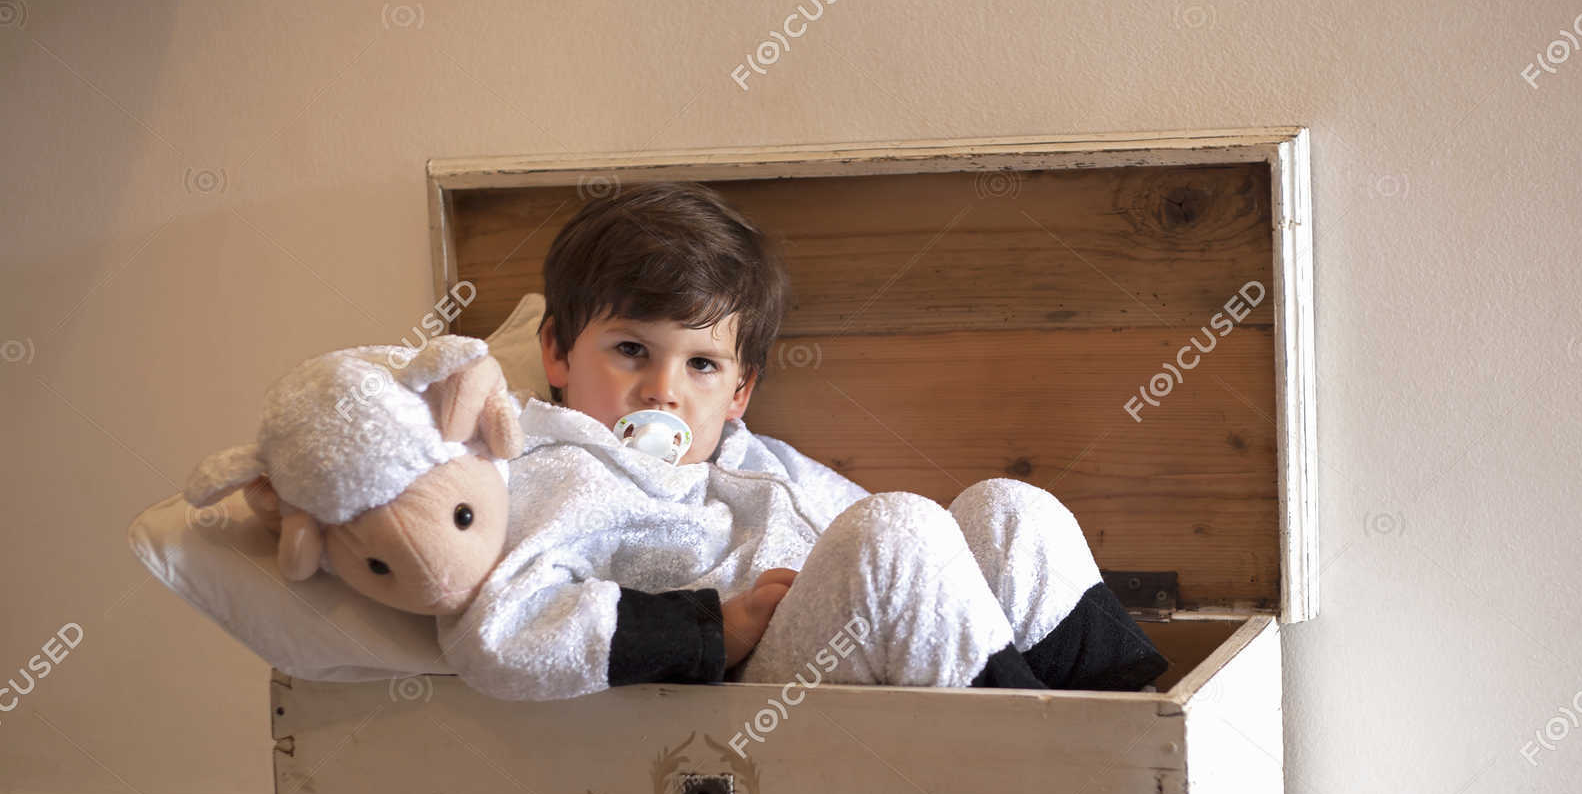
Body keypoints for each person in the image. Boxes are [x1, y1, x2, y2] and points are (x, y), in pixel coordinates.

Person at [436, 182, 1168, 700]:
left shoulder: (760, 462)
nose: (664, 390)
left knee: (1009, 512)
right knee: (897, 528)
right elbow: (501, 633)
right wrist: (708, 633)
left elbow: (902, 566)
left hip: (856, 657)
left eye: (701, 364)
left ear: (740, 391)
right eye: (631, 349)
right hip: (743, 698)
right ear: (559, 353)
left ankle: (1141, 723)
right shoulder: (550, 466)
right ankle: (1041, 768)